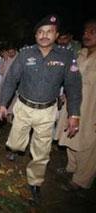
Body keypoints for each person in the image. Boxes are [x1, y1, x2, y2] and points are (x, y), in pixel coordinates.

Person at [0, 15, 82, 203]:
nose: (44, 35)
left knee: (42, 152)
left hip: (47, 111)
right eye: (41, 32)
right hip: (23, 108)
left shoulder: (66, 56)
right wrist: (3, 103)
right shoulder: (25, 54)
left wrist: (74, 114)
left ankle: (35, 182)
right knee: (14, 144)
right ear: (35, 35)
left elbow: (73, 87)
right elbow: (11, 79)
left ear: (57, 34)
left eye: (49, 31)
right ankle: (18, 145)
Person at [58, 19, 96, 191]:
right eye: (85, 31)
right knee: (70, 137)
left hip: (91, 109)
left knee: (88, 144)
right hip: (73, 105)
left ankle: (81, 180)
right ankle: (71, 168)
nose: (86, 35)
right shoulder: (79, 54)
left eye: (92, 32)